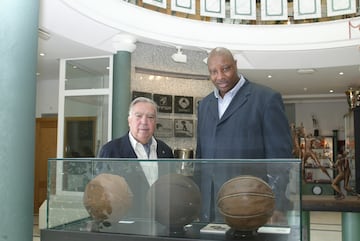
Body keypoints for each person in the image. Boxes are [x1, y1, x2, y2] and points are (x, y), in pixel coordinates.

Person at [196, 47, 293, 223]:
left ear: (236, 65)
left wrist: (275, 204)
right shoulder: (204, 105)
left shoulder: (266, 99)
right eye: (213, 72)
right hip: (209, 208)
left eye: (226, 68)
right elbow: (201, 156)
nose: (220, 76)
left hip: (249, 203)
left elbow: (280, 159)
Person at [97, 97, 174, 219]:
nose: (144, 122)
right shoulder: (111, 151)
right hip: (126, 222)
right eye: (138, 116)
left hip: (161, 220)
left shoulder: (165, 151)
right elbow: (100, 193)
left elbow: (171, 189)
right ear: (129, 120)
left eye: (150, 117)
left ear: (155, 122)